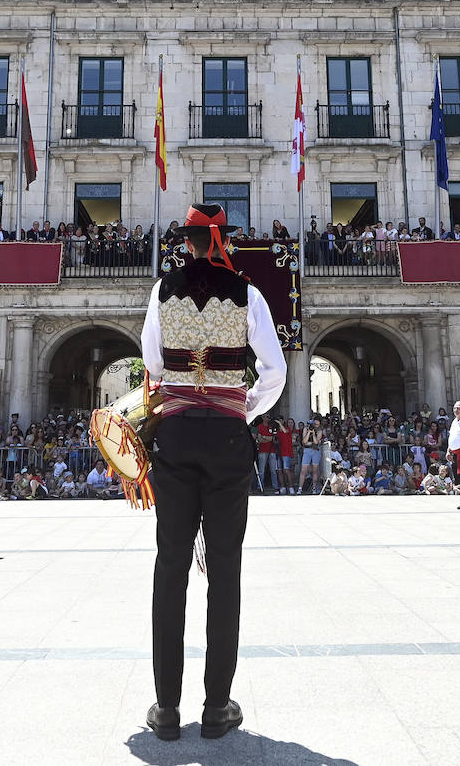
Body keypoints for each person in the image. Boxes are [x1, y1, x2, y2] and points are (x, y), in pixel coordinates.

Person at [140, 203, 285, 741]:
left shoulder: (162, 290)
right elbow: (276, 369)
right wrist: (240, 406)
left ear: (187, 242)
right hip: (226, 437)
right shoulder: (247, 292)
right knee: (225, 570)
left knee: (170, 565)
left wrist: (185, 386)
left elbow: (152, 361)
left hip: (175, 435)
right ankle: (218, 706)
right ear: (222, 242)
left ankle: (167, 707)